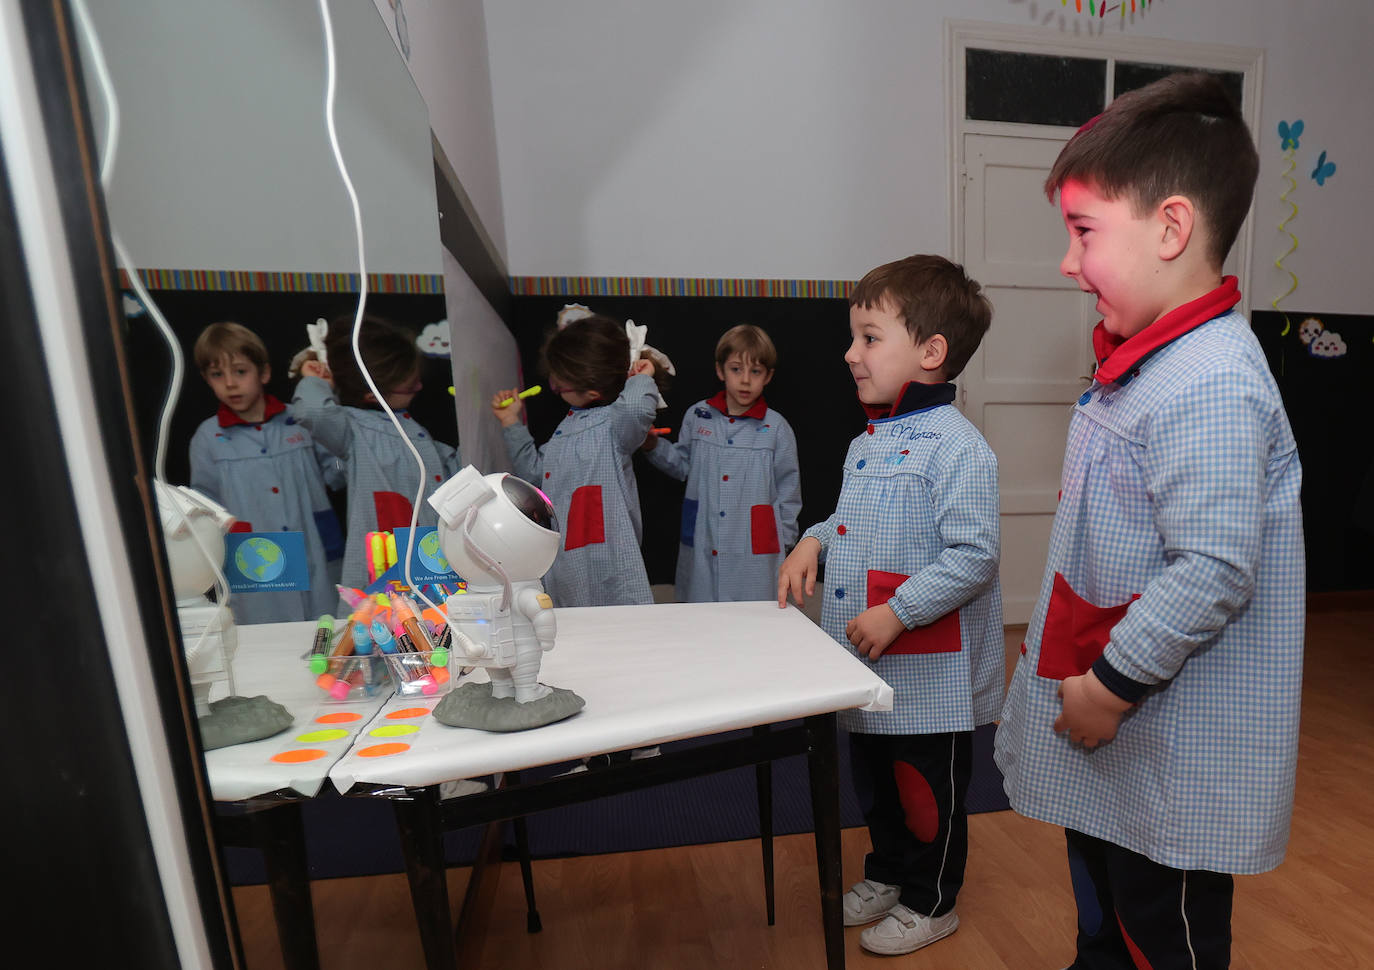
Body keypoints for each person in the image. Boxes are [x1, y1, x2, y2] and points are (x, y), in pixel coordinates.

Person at [993, 72, 1303, 970]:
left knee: (1158, 926)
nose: (1065, 262)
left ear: (1171, 227)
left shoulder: (1210, 380)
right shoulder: (1151, 360)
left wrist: (1112, 682)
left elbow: (1212, 566)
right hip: (1124, 734)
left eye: (1083, 231)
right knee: (1106, 905)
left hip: (1168, 744)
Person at [777, 254, 1002, 956]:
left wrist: (898, 611)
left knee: (924, 791)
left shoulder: (961, 449)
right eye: (854, 337)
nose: (851, 353)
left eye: (870, 337)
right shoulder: (867, 440)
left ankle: (932, 899)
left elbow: (974, 556)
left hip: (927, 668)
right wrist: (813, 540)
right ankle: (888, 870)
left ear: (931, 352)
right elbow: (851, 521)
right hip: (870, 662)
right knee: (874, 780)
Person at [491, 310, 668, 608]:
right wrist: (511, 423)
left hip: (612, 566)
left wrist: (640, 378)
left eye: (559, 384)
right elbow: (535, 475)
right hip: (565, 568)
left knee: (627, 638)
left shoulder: (617, 425)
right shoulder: (565, 430)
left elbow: (637, 409)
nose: (554, 386)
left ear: (592, 390)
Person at [291, 313, 462, 590]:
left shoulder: (414, 430)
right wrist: (316, 379)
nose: (419, 387)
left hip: (432, 569)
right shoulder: (352, 429)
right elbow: (312, 411)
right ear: (372, 395)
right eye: (410, 386)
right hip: (382, 579)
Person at [188, 322, 345, 624]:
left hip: (316, 556)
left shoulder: (301, 420)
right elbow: (205, 509)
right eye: (217, 375)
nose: (230, 383)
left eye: (240, 371)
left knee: (326, 633)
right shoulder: (208, 438)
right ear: (206, 380)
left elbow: (337, 474)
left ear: (264, 373)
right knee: (267, 642)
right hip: (257, 567)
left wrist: (331, 418)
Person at [642, 324, 801, 602]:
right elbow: (682, 466)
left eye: (755, 371)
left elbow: (789, 492)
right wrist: (653, 445)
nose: (745, 380)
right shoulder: (698, 415)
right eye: (736, 369)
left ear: (768, 376)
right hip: (705, 540)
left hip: (756, 553)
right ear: (720, 371)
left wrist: (784, 544)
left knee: (754, 617)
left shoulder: (777, 428)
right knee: (703, 616)